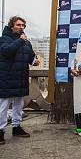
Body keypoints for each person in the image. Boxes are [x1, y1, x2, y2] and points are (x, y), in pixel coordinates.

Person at [0, 16, 40, 145]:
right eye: (18, 25)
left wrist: (35, 61)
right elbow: (7, 51)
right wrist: (19, 41)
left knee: (19, 105)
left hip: (21, 78)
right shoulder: (4, 39)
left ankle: (16, 127)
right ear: (12, 26)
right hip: (6, 78)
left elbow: (30, 57)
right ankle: (0, 131)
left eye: (23, 25)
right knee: (3, 107)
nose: (21, 27)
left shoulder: (26, 42)